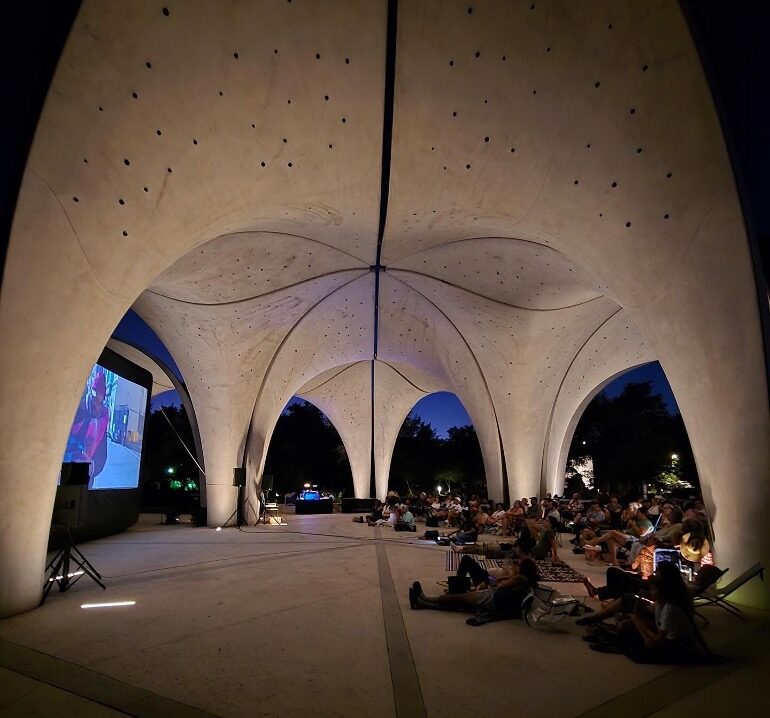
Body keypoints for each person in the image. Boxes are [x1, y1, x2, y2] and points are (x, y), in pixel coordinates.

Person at [587, 562, 708, 663]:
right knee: (622, 588)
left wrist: (638, 620)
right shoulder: (675, 590)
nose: (697, 573)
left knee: (617, 579)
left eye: (657, 571)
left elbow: (656, 641)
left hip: (662, 630)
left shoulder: (672, 602)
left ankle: (599, 618)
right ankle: (600, 608)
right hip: (654, 606)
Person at [408, 558, 540, 626]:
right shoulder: (527, 582)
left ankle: (425, 599)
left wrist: (494, 582)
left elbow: (500, 586)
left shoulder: (520, 578)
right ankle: (423, 602)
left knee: (456, 599)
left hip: (490, 597)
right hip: (494, 601)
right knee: (458, 606)